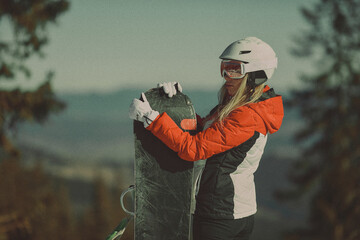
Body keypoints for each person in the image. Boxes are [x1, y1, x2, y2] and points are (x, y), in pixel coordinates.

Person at [129, 36, 284, 240]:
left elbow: (193, 149)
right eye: (224, 67)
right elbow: (203, 130)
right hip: (232, 211)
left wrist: (151, 118)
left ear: (256, 74)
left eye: (235, 69)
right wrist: (174, 105)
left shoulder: (246, 116)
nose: (226, 75)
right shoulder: (243, 107)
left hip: (220, 215)